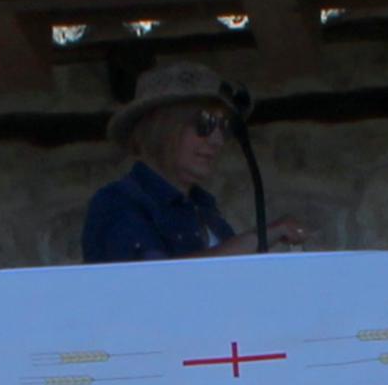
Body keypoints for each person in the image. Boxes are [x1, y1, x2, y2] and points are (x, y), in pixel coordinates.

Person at [82, 61, 308, 263]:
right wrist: (258, 238)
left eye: (224, 126)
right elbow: (154, 285)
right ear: (162, 128)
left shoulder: (204, 208)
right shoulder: (118, 203)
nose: (217, 140)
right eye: (204, 123)